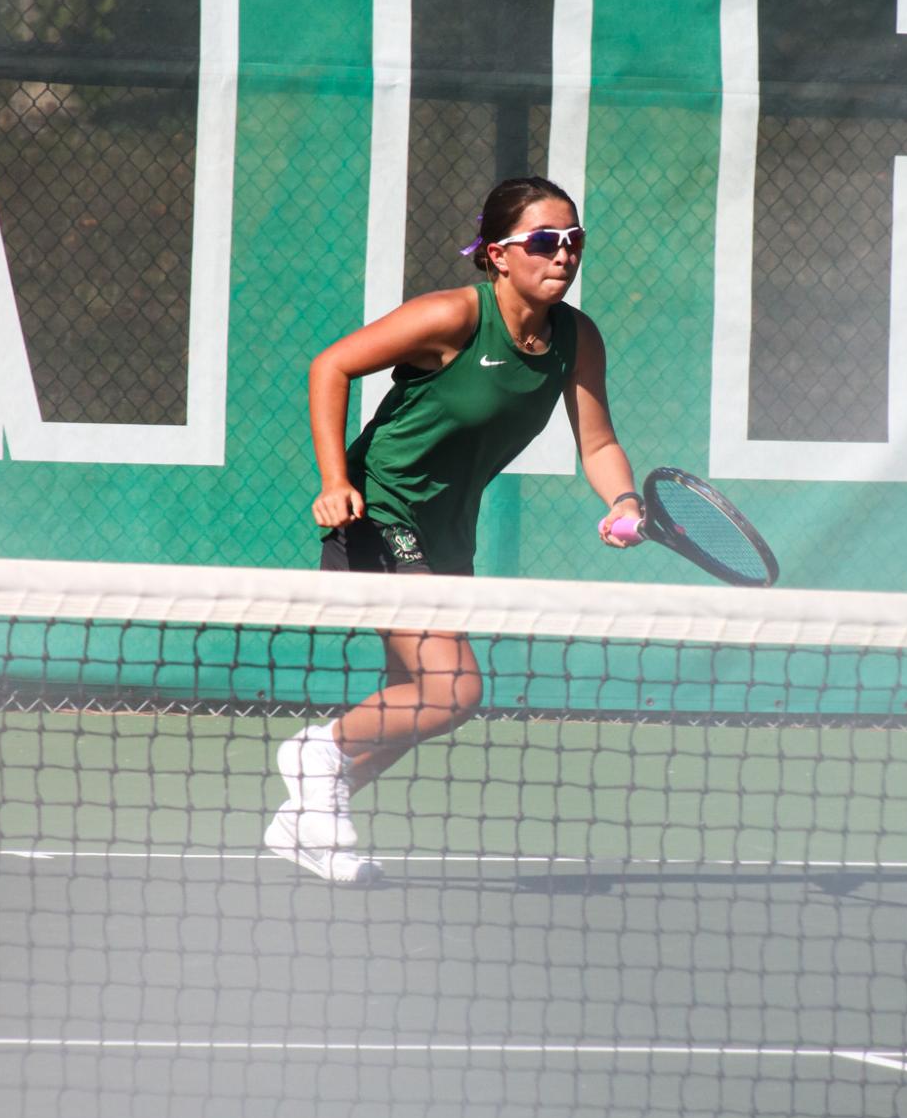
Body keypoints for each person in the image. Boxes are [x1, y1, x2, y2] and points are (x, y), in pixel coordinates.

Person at [264, 175, 644, 884]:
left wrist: (623, 499)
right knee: (454, 690)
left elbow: (596, 443)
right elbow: (332, 365)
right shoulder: (453, 317)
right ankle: (316, 751)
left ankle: (302, 823)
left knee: (419, 702)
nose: (562, 255)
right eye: (543, 241)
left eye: (574, 241)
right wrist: (334, 480)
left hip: (446, 536)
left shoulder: (575, 337)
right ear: (499, 254)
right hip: (381, 515)